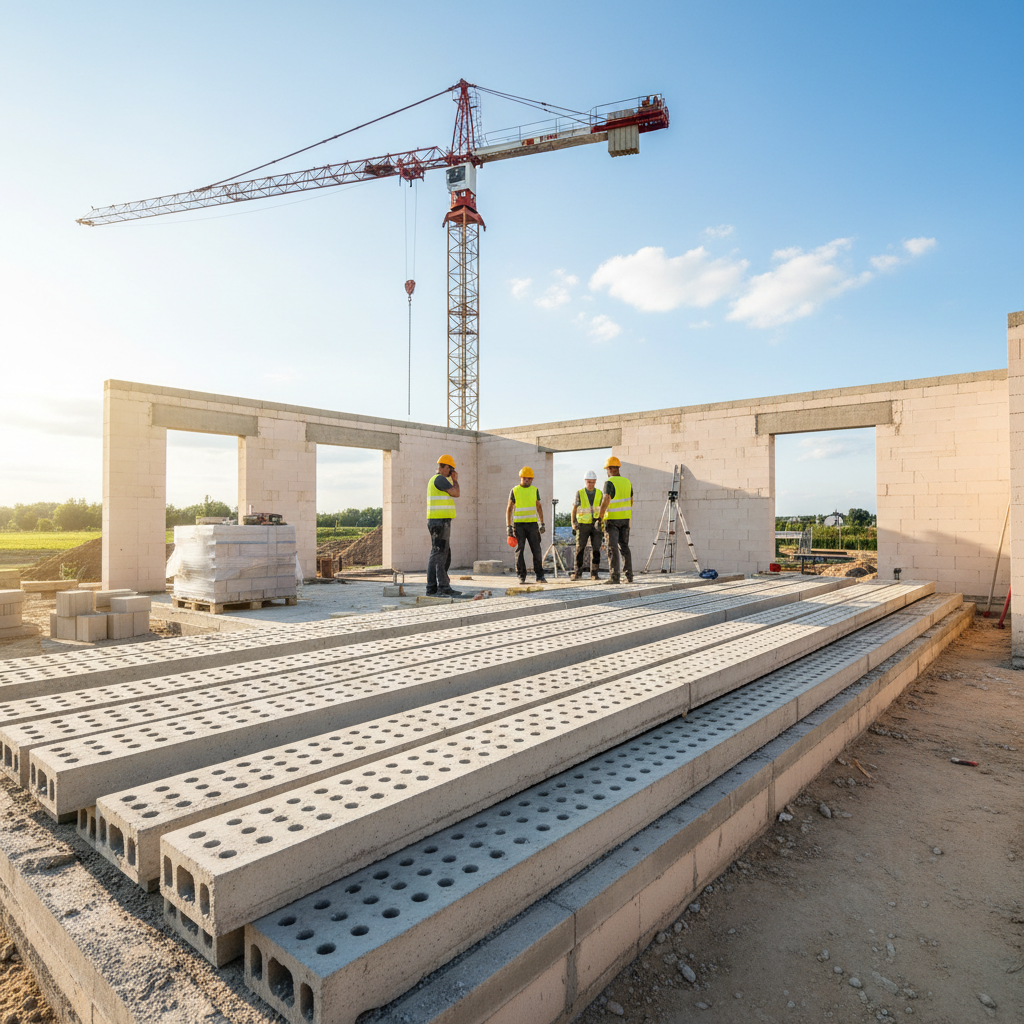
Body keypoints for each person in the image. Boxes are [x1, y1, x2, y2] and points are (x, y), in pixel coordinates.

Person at [505, 466, 548, 584]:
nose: (527, 480)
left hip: (533, 525)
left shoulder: (534, 490)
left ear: (532, 479)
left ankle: (540, 576)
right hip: (518, 526)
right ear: (521, 478)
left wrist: (542, 523)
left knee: (536, 550)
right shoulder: (515, 490)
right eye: (525, 478)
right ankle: (521, 575)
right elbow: (509, 508)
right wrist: (508, 526)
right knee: (519, 550)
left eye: (529, 478)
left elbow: (538, 506)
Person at [426, 454, 461, 597]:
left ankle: (434, 587)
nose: (450, 472)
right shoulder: (440, 479)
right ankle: (441, 587)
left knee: (441, 553)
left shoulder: (439, 479)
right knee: (439, 554)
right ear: (444, 467)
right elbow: (456, 493)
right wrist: (455, 480)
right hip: (439, 522)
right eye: (450, 469)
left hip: (439, 522)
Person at [597, 456, 633, 584]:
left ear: (611, 469)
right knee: (624, 547)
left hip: (612, 520)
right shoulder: (627, 482)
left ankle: (614, 577)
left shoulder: (610, 482)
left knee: (612, 548)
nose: (607, 471)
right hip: (625, 519)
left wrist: (599, 518)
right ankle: (629, 576)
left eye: (607, 469)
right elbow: (631, 501)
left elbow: (606, 499)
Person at [571, 470, 603, 581]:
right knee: (580, 549)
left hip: (596, 525)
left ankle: (594, 573)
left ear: (595, 482)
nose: (591, 484)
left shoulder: (599, 493)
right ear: (585, 481)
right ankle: (577, 573)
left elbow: (602, 509)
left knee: (596, 549)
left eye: (593, 482)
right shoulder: (580, 493)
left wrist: (601, 522)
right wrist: (573, 523)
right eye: (589, 482)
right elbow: (574, 508)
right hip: (582, 524)